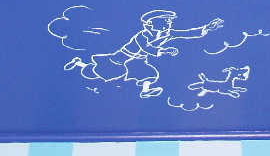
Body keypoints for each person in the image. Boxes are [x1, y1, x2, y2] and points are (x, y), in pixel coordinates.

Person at [64, 10, 224, 98]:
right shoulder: (143, 35)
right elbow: (146, 47)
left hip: (138, 60)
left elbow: (187, 33)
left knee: (148, 73)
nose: (169, 23)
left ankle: (146, 91)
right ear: (151, 23)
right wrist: (164, 50)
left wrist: (207, 28)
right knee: (99, 73)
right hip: (121, 58)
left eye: (169, 21)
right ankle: (79, 63)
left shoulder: (168, 34)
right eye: (165, 21)